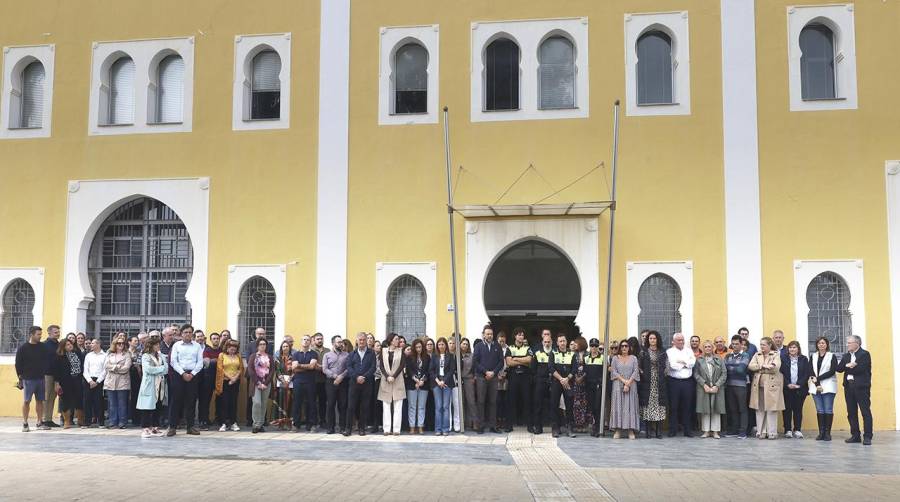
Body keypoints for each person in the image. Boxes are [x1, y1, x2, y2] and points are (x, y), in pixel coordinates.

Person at [166, 324, 203, 436]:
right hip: (178, 375)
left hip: (193, 375)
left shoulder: (197, 346)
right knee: (175, 401)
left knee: (191, 402)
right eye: (185, 332)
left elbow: (200, 362)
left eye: (190, 332)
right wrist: (182, 373)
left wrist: (192, 374)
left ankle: (190, 427)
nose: (188, 334)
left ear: (192, 334)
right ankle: (172, 427)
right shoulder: (176, 345)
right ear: (181, 334)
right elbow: (173, 361)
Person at [837, 334, 873, 445]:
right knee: (851, 412)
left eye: (849, 343)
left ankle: (867, 436)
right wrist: (849, 365)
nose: (847, 345)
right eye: (847, 343)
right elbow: (839, 369)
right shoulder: (846, 356)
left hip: (861, 387)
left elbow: (861, 369)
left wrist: (851, 367)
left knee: (865, 412)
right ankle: (855, 435)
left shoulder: (864, 354)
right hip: (849, 387)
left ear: (857, 343)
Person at [748, 336, 784, 440]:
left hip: (771, 387)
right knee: (760, 409)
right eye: (761, 344)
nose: (762, 346)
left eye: (764, 344)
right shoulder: (757, 354)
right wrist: (763, 366)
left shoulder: (775, 354)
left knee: (771, 409)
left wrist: (761, 368)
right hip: (758, 386)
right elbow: (751, 366)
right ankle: (761, 432)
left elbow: (775, 368)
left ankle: (772, 432)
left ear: (769, 345)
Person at [16, 326, 49, 432]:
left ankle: (39, 422)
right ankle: (25, 423)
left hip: (40, 378)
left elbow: (45, 360)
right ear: (31, 334)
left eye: (40, 334)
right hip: (28, 378)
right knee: (27, 401)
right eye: (38, 334)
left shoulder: (42, 347)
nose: (40, 336)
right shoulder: (23, 348)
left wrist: (43, 371)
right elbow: (18, 364)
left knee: (40, 400)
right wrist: (20, 378)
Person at [472, 325, 504, 434]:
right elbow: (475, 362)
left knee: (493, 402)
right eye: (487, 334)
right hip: (482, 377)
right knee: (481, 401)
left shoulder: (497, 346)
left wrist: (493, 372)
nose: (489, 336)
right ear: (483, 334)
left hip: (494, 377)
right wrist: (486, 372)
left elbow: (501, 362)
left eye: (491, 334)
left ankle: (493, 426)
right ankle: (480, 425)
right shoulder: (478, 346)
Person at [136, 336, 168, 438]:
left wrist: (160, 369)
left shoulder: (161, 356)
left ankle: (155, 428)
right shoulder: (146, 356)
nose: (159, 346)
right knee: (147, 407)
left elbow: (167, 368)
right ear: (151, 345)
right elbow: (148, 369)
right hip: (149, 384)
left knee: (158, 405)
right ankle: (145, 429)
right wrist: (161, 368)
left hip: (160, 384)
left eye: (159, 344)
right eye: (156, 344)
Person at [638, 330, 667, 439]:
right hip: (647, 382)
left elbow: (667, 365)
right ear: (647, 340)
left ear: (657, 339)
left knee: (659, 405)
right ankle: (648, 431)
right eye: (650, 338)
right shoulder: (643, 352)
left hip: (659, 382)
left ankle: (658, 432)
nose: (652, 340)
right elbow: (639, 365)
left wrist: (663, 374)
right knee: (648, 405)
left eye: (654, 338)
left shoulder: (662, 351)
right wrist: (643, 374)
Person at [694, 340, 726, 439]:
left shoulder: (719, 359)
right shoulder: (699, 359)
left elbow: (724, 373)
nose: (708, 348)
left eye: (709, 347)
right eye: (706, 347)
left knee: (716, 409)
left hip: (717, 388)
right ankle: (706, 431)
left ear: (713, 348)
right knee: (705, 409)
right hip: (704, 388)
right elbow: (696, 374)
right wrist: (704, 385)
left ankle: (715, 431)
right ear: (703, 349)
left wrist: (717, 385)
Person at [345, 333, 376, 436]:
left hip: (367, 383)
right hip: (354, 383)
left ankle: (362, 428)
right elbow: (349, 367)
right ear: (357, 341)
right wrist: (356, 377)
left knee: (364, 406)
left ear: (366, 340)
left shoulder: (371, 353)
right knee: (351, 406)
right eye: (360, 340)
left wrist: (364, 377)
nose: (362, 342)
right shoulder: (352, 354)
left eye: (364, 340)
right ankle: (348, 428)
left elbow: (373, 367)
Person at [665, 333, 696, 437]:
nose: (681, 342)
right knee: (673, 406)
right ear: (673, 341)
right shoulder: (669, 352)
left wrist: (682, 362)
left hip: (688, 381)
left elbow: (692, 363)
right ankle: (672, 430)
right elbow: (673, 365)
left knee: (687, 406)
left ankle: (687, 430)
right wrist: (686, 363)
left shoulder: (689, 350)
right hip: (674, 382)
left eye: (682, 340)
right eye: (678, 340)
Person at [504, 327, 533, 432]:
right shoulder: (510, 348)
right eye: (519, 335)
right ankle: (509, 425)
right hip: (513, 377)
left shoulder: (528, 348)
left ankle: (529, 426)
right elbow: (509, 363)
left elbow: (529, 360)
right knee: (511, 401)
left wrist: (515, 358)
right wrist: (522, 361)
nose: (521, 337)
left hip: (525, 377)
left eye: (522, 335)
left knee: (527, 401)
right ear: (515, 336)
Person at [809, 336, 838, 441]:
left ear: (827, 345)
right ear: (817, 345)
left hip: (828, 385)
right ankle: (821, 432)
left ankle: (827, 433)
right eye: (819, 343)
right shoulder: (813, 356)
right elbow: (810, 370)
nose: (821, 345)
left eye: (823, 343)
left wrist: (818, 378)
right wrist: (816, 382)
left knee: (828, 409)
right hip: (815, 386)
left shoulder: (832, 356)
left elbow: (832, 371)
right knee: (820, 410)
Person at [780, 340, 811, 438]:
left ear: (798, 349)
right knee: (787, 410)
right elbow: (781, 373)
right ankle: (787, 430)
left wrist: (798, 384)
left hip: (800, 389)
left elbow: (806, 373)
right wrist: (787, 384)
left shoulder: (804, 359)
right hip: (787, 388)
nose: (792, 349)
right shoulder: (783, 358)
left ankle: (797, 429)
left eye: (794, 347)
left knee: (798, 410)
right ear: (787, 349)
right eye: (790, 347)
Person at [609, 340, 639, 439]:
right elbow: (614, 371)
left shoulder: (634, 358)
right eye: (622, 346)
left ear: (629, 347)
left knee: (630, 406)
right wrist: (624, 381)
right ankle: (618, 430)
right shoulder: (615, 359)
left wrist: (628, 382)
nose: (624, 348)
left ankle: (630, 430)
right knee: (618, 406)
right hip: (618, 385)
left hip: (631, 385)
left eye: (626, 346)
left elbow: (635, 371)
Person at [378, 333, 406, 435]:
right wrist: (387, 376)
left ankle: (396, 429)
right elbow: (381, 366)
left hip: (397, 380)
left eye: (398, 339)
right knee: (386, 405)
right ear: (391, 340)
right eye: (396, 339)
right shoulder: (383, 351)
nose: (398, 341)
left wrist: (393, 376)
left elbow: (402, 365)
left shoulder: (400, 351)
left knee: (398, 406)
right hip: (386, 381)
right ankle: (386, 429)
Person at [724, 335, 750, 438]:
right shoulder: (727, 356)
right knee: (732, 408)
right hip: (729, 385)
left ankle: (743, 431)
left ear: (741, 344)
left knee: (742, 408)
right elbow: (724, 369)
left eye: (737, 344)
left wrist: (731, 367)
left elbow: (741, 369)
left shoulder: (746, 355)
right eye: (733, 344)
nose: (734, 346)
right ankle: (734, 430)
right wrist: (735, 367)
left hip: (741, 386)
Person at [291, 335, 319, 432]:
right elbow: (294, 368)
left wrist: (299, 365)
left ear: (310, 342)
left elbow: (312, 366)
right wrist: (305, 367)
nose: (306, 341)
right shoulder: (295, 354)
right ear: (301, 341)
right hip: (298, 381)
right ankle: (296, 424)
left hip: (310, 381)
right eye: (304, 339)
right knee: (297, 403)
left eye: (308, 340)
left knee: (311, 402)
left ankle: (312, 424)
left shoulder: (314, 354)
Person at [52, 338, 83, 428]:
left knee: (79, 399)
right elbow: (56, 371)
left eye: (70, 344)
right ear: (63, 347)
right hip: (65, 381)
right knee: (66, 401)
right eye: (67, 345)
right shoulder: (59, 356)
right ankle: (67, 421)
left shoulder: (77, 353)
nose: (70, 346)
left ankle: (80, 420)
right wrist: (57, 383)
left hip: (77, 379)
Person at [550, 333, 576, 438]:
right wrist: (561, 379)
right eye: (560, 341)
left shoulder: (572, 354)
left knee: (569, 406)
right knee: (554, 405)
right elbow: (551, 368)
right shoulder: (553, 353)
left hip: (568, 382)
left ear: (566, 341)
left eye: (564, 341)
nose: (562, 343)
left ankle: (569, 428)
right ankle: (555, 428)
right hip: (557, 382)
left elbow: (574, 368)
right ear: (557, 343)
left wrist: (567, 378)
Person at [322, 335, 349, 434]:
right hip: (330, 382)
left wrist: (341, 377)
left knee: (342, 405)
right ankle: (330, 427)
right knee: (330, 404)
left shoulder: (347, 355)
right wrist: (334, 376)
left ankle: (342, 427)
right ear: (333, 343)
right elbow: (324, 369)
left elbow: (348, 368)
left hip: (343, 382)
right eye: (338, 342)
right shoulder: (327, 355)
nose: (341, 344)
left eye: (341, 342)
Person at [104, 337, 132, 429]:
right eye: (119, 343)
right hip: (111, 382)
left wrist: (113, 368)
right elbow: (106, 366)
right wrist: (117, 367)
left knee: (122, 403)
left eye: (122, 343)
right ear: (114, 344)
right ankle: (113, 422)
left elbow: (126, 368)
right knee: (112, 403)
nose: (121, 345)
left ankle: (122, 422)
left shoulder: (127, 354)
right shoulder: (110, 354)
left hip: (122, 382)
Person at [429, 337, 456, 436]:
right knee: (438, 407)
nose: (441, 346)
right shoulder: (434, 356)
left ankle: (445, 429)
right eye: (439, 344)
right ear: (437, 346)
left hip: (447, 383)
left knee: (445, 406)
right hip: (436, 383)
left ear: (446, 345)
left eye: (443, 344)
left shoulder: (450, 356)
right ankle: (438, 429)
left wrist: (444, 381)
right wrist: (438, 381)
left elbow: (451, 370)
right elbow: (431, 370)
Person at [215, 340, 243, 431]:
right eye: (231, 346)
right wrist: (230, 378)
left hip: (235, 382)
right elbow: (220, 368)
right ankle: (223, 423)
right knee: (224, 402)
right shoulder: (222, 355)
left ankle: (233, 422)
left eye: (235, 347)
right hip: (225, 382)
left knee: (233, 402)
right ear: (227, 347)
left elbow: (240, 368)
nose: (233, 348)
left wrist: (235, 378)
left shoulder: (238, 356)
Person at [531, 330, 555, 435]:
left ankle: (555, 427)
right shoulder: (537, 353)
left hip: (553, 382)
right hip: (540, 382)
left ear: (552, 342)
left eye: (549, 342)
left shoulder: (555, 353)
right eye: (545, 342)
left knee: (553, 405)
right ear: (542, 342)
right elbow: (533, 369)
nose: (547, 343)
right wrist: (537, 379)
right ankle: (538, 427)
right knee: (538, 405)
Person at [248, 338, 273, 433]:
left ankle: (261, 424)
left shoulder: (270, 357)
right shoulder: (253, 356)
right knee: (257, 403)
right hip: (255, 383)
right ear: (257, 346)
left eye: (264, 344)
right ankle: (256, 424)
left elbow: (272, 371)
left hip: (266, 383)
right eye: (261, 344)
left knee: (264, 403)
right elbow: (250, 370)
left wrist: (265, 383)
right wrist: (258, 383)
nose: (263, 346)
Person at [405, 338, 429, 434]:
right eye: (416, 347)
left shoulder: (427, 357)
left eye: (420, 347)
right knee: (412, 406)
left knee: (422, 406)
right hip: (412, 384)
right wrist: (415, 379)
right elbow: (408, 370)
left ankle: (420, 426)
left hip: (424, 384)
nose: (418, 349)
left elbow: (428, 370)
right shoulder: (409, 357)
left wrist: (422, 380)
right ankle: (412, 426)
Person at [82, 338, 107, 428]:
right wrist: (90, 381)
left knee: (99, 401)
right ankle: (87, 422)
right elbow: (85, 369)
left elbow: (105, 370)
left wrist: (97, 381)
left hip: (99, 380)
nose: (90, 345)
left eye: (92, 343)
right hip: (88, 380)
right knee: (87, 401)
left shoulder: (105, 355)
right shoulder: (88, 355)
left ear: (98, 344)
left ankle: (101, 422)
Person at [198, 332, 220, 430]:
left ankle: (219, 419)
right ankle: (203, 420)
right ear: (210, 340)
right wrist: (219, 360)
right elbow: (206, 363)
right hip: (208, 379)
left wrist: (213, 360)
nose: (216, 340)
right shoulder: (207, 350)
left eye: (217, 338)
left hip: (219, 378)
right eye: (214, 338)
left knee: (220, 400)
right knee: (205, 400)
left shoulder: (222, 350)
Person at [41, 325, 62, 428]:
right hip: (47, 374)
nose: (58, 334)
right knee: (46, 397)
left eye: (58, 332)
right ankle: (44, 419)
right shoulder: (44, 345)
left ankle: (49, 419)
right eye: (55, 332)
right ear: (49, 333)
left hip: (56, 374)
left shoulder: (59, 345)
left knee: (53, 397)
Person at [583, 339, 604, 437]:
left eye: (596, 346)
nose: (594, 348)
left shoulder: (603, 358)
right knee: (591, 406)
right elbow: (583, 372)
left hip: (598, 386)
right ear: (589, 347)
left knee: (597, 406)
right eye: (592, 346)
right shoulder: (586, 358)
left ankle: (598, 427)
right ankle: (594, 425)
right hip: (588, 386)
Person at [273, 340, 294, 429]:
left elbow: (295, 370)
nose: (285, 348)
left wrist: (289, 379)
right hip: (281, 384)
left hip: (291, 383)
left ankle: (289, 423)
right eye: (283, 346)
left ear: (290, 348)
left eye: (287, 346)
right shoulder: (278, 359)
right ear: (281, 348)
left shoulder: (293, 358)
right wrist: (283, 380)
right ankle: (281, 423)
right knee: (281, 402)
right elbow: (277, 371)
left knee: (290, 402)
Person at [311, 333, 330, 430]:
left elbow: (330, 364)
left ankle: (323, 421)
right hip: (313, 380)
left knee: (323, 402)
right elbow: (312, 365)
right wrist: (323, 367)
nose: (320, 340)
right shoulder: (311, 351)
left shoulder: (328, 351)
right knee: (313, 402)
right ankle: (313, 422)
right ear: (314, 340)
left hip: (325, 380)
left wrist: (322, 367)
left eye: (321, 339)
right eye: (318, 339)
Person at [459, 338, 478, 430]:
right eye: (463, 344)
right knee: (461, 401)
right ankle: (464, 422)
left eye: (466, 344)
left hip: (469, 379)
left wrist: (474, 377)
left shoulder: (472, 356)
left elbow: (475, 367)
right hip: (458, 380)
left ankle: (474, 422)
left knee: (471, 401)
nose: (465, 346)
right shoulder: (456, 355)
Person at [447, 336, 462, 432]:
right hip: (447, 381)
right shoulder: (445, 355)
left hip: (456, 381)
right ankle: (448, 424)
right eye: (450, 343)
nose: (452, 345)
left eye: (453, 343)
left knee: (456, 404)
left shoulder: (458, 355)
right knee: (447, 404)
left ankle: (457, 424)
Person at [128, 336, 142, 426]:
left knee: (136, 397)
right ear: (129, 342)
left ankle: (136, 418)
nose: (136, 342)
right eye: (135, 341)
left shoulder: (139, 352)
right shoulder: (126, 351)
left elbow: (140, 363)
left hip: (136, 376)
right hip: (126, 375)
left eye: (137, 341)